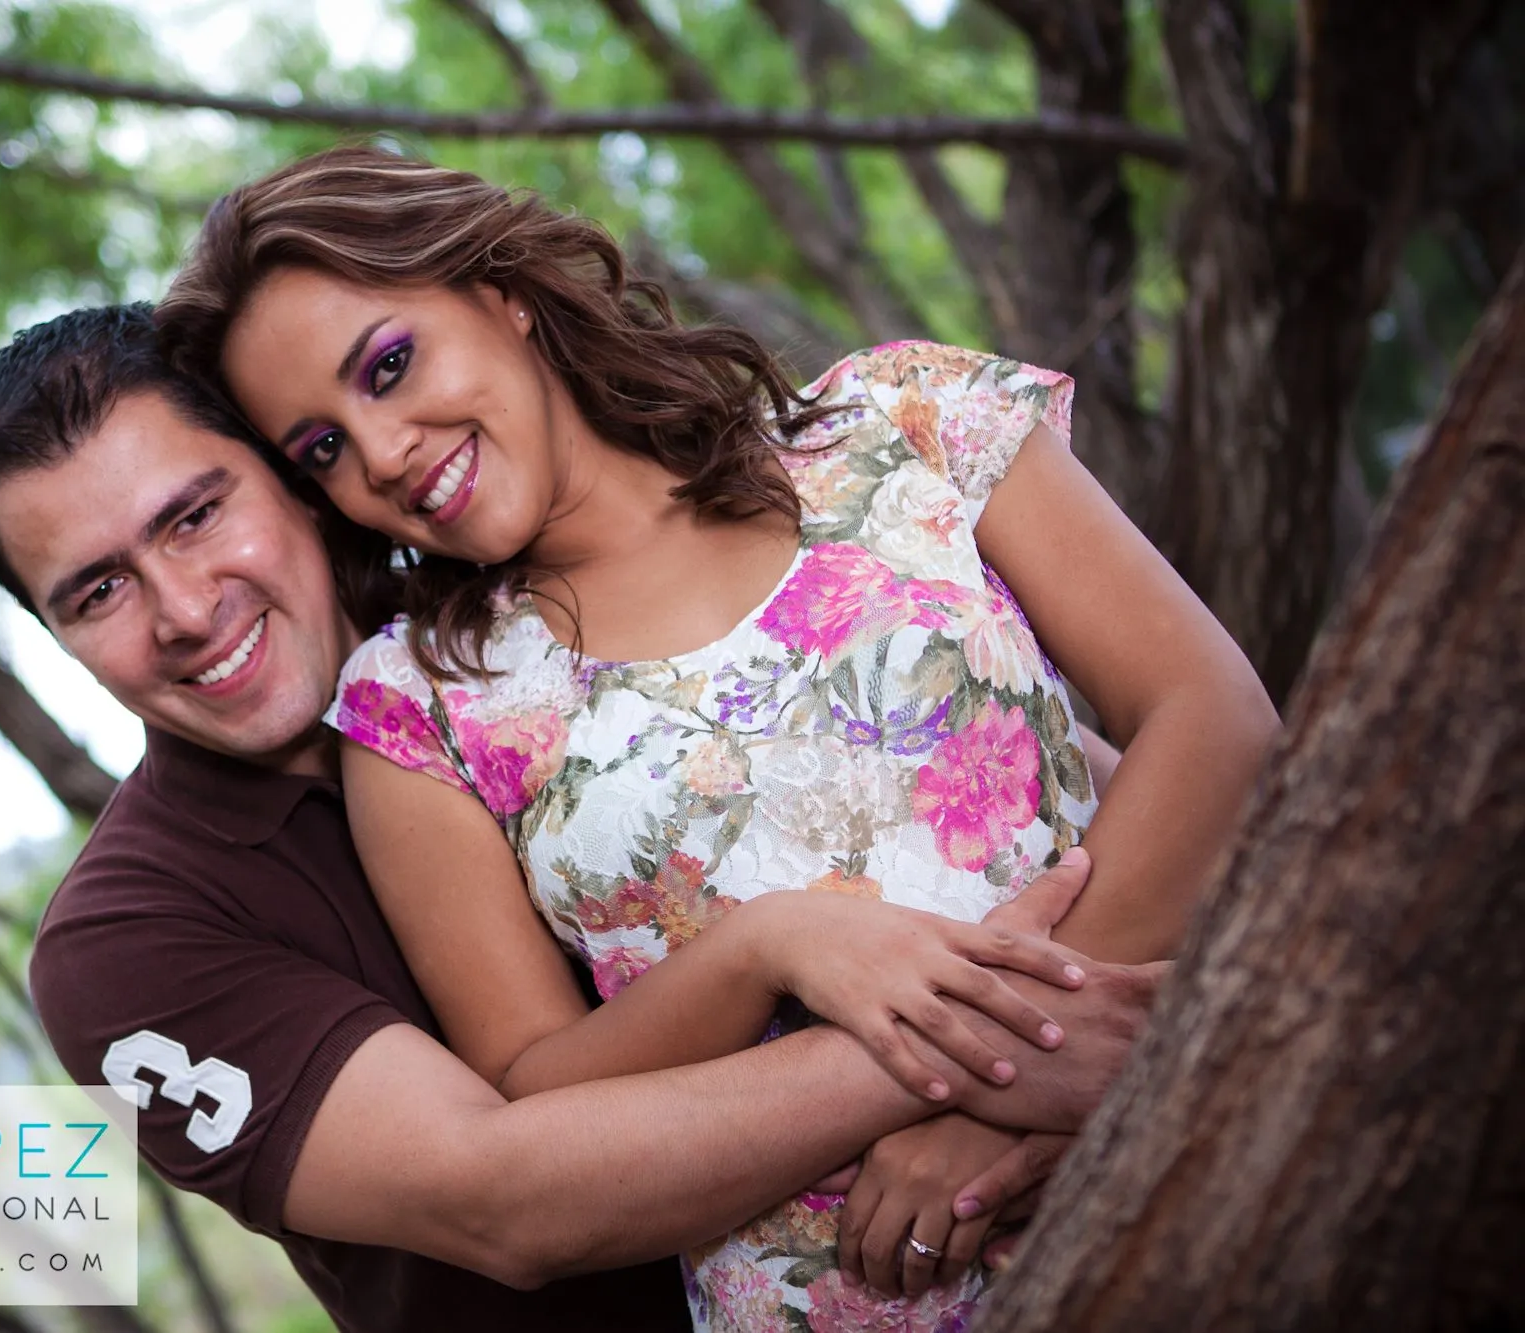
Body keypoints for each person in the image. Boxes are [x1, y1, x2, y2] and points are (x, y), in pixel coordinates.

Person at [158, 146, 1281, 1331]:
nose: (381, 452)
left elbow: (1212, 719)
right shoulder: (421, 705)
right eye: (321, 448)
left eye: (389, 366)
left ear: (504, 299)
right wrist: (766, 949)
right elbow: (537, 1088)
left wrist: (999, 1106)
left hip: (1200, 1168)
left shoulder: (905, 425)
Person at [0, 304, 1166, 1333]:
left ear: (288, 476)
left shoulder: (530, 612)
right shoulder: (127, 946)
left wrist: (1055, 1070)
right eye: (96, 591)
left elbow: (1060, 798)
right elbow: (501, 1201)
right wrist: (1003, 1058)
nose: (184, 607)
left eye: (195, 514)